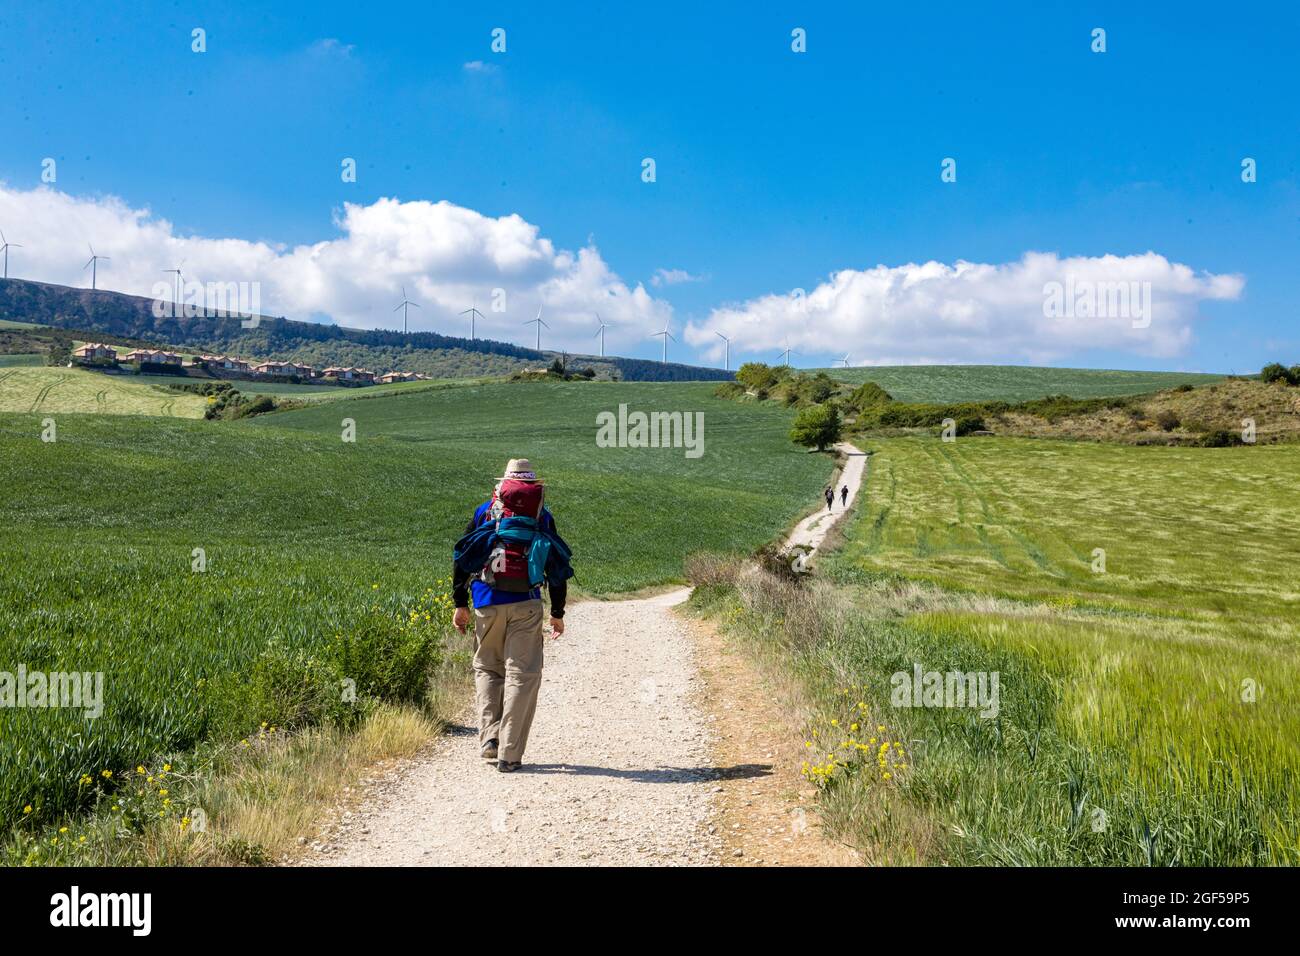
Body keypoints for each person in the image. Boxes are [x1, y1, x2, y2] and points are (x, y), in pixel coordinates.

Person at [452, 459, 571, 773]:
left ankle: (489, 737)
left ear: (504, 484)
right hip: (526, 603)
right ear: (533, 486)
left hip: (486, 601)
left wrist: (460, 603)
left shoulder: (484, 512)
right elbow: (556, 568)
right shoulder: (541, 516)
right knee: (522, 674)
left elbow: (462, 556)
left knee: (488, 669)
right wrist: (557, 612)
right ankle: (509, 753)